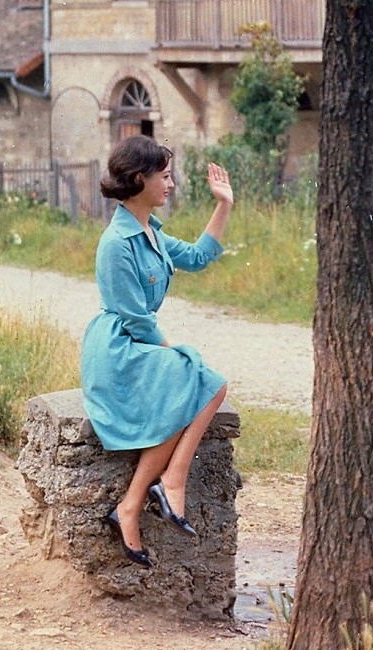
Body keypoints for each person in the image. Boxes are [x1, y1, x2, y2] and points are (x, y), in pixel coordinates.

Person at [81, 135, 235, 567]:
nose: (171, 185)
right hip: (118, 351)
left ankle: (150, 493)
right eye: (164, 177)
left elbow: (200, 257)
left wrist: (223, 205)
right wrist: (177, 356)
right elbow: (136, 321)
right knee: (194, 376)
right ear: (138, 179)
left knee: (210, 382)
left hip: (138, 346)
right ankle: (164, 488)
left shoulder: (151, 231)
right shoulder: (116, 243)